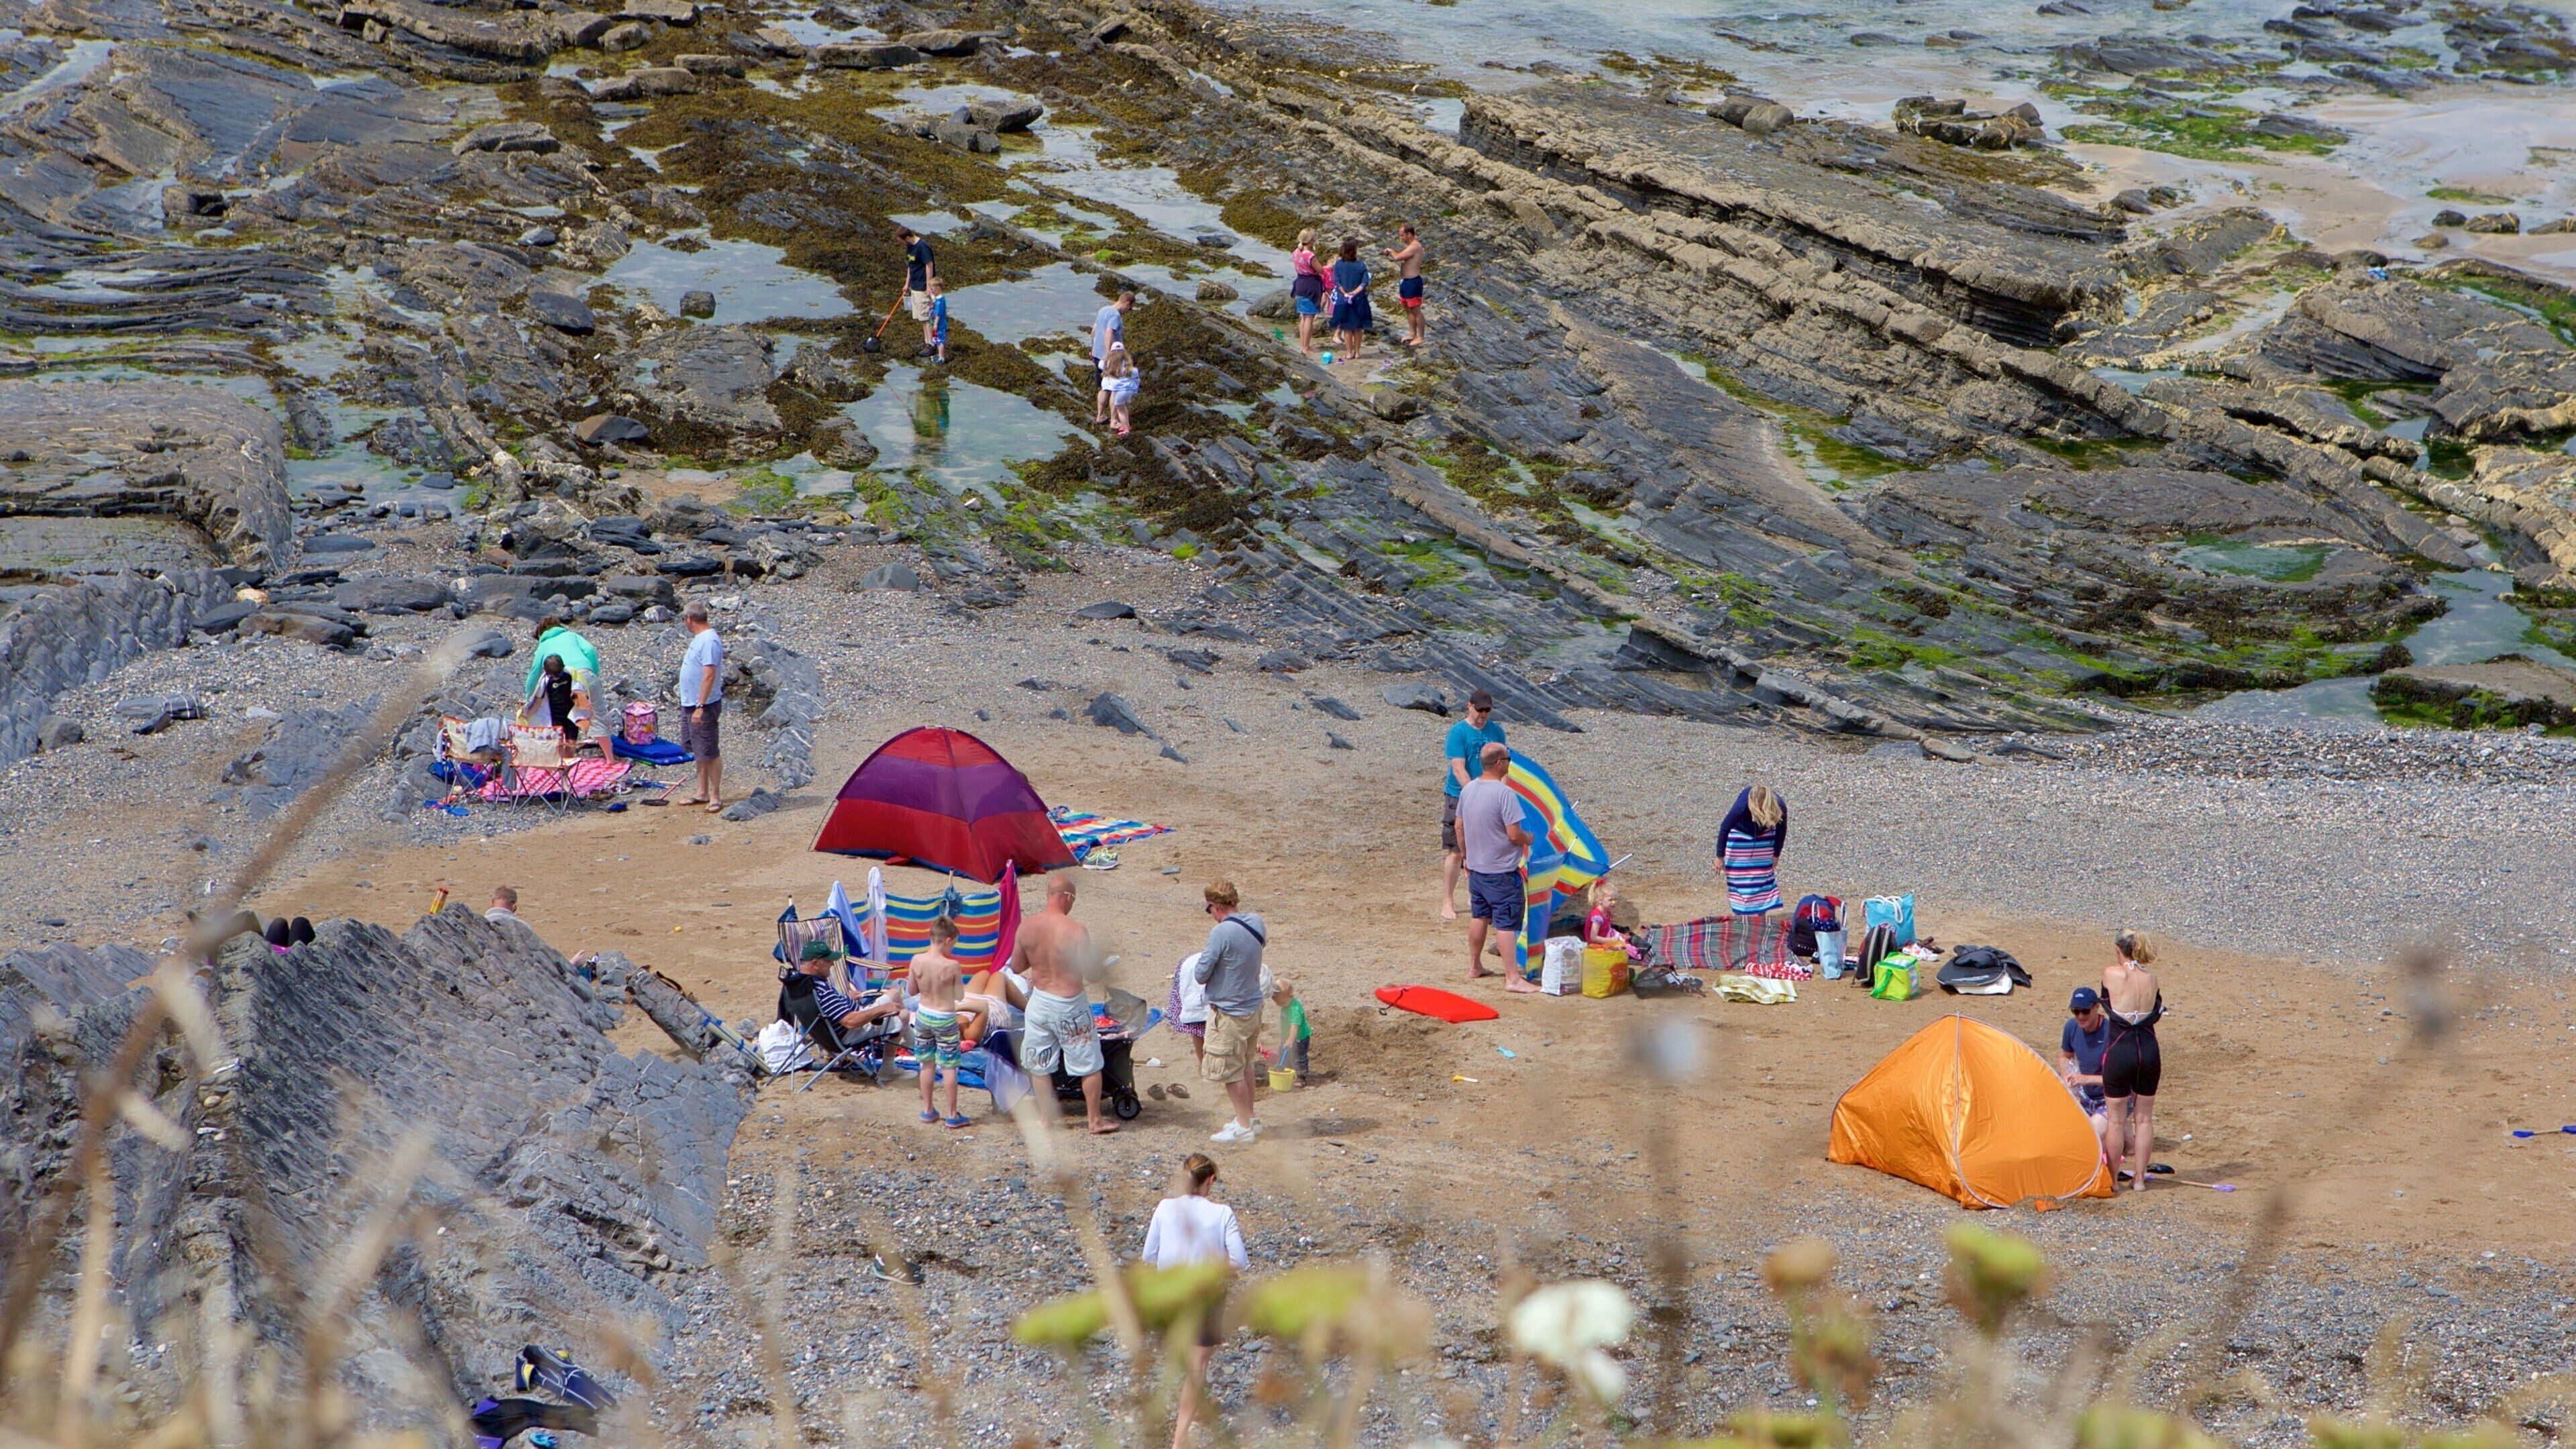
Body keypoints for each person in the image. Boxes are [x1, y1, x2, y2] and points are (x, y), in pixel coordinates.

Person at [1142, 1153, 1248, 1449]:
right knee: (1197, 1367)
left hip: (1170, 1295)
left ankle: (1196, 1405)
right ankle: (1179, 1441)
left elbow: (1149, 1255)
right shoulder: (1223, 1213)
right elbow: (1240, 1260)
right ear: (1210, 1181)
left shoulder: (1165, 1207)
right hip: (1205, 1297)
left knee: (1189, 1361)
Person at [1010, 873, 1118, 1134]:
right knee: (1089, 1064)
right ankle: (1094, 1120)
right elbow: (1092, 974)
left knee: (1039, 1064)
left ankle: (1045, 1119)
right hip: (1069, 1004)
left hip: (1039, 1002)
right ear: (1067, 897)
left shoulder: (1027, 927)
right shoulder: (1076, 930)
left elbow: (1016, 966)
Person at [1456, 743, 1538, 993]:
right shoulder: (1505, 794)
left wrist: (1466, 857)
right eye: (1509, 759)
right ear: (1500, 763)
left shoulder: (1468, 790)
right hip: (1501, 872)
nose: (1511, 763)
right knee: (1506, 924)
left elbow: (1459, 826)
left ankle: (1474, 966)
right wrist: (1528, 839)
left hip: (1477, 869)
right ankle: (1512, 978)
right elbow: (1514, 834)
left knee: (1479, 916)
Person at [1193, 880, 1268, 1142]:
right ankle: (1249, 1118)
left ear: (1215, 906)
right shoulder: (1256, 922)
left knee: (1230, 1072)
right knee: (1246, 1065)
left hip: (1230, 1013)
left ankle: (1243, 1127)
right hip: (1252, 1008)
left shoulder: (1221, 933)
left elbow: (1201, 974)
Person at [2102, 928, 2164, 1191]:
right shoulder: (2152, 978)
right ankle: (2139, 1179)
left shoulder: (2111, 973)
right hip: (2148, 1048)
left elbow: (2107, 1001)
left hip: (2121, 1047)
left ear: (2119, 950)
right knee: (2144, 1119)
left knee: (2116, 1120)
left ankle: (2113, 1180)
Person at [1439, 688, 1506, 920]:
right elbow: (1459, 768)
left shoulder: (1496, 731)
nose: (1483, 714)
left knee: (1481, 849)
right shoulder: (1458, 732)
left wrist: (1501, 794)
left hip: (1487, 794)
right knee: (1456, 851)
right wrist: (1474, 794)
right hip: (1460, 795)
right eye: (1480, 710)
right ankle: (1448, 901)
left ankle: (1474, 895)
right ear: (1470, 707)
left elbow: (1502, 766)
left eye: (1487, 710)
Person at [912, 917, 970, 1128]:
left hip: (923, 1016)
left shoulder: (916, 960)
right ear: (947, 940)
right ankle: (952, 1115)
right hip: (945, 1018)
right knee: (949, 1067)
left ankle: (928, 1110)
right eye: (953, 944)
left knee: (926, 1063)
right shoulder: (952, 965)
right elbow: (960, 996)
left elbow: (912, 990)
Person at [796, 937, 903, 1040]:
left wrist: (846, 998)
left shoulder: (801, 986)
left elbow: (831, 1007)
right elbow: (850, 1022)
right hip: (854, 1031)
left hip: (834, 1034)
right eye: (828, 961)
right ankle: (907, 1047)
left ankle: (910, 1044)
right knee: (902, 1015)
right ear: (815, 964)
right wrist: (883, 1008)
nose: (832, 964)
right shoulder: (821, 990)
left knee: (894, 994)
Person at [676, 600, 724, 813]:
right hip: (691, 703)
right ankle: (702, 791)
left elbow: (710, 675)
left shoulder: (709, 641)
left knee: (710, 750)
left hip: (703, 705)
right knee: (699, 750)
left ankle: (715, 796)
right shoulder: (701, 639)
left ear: (689, 619)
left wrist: (700, 705)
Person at [1715, 786, 1788, 916]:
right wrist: (1720, 857)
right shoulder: (1742, 807)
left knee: (1763, 875)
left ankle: (1762, 916)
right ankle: (1741, 916)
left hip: (1765, 833)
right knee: (1738, 876)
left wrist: (1776, 854)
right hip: (1741, 832)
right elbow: (1725, 827)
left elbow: (1781, 830)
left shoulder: (1779, 806)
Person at [2060, 986, 2112, 1164]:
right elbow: (2065, 1056)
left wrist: (2086, 1079)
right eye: (2076, 1011)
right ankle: (2120, 1132)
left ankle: (2119, 1128)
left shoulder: (2111, 1032)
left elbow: (2121, 1080)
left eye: (2085, 1011)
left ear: (2097, 1007)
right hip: (2085, 1097)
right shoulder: (2071, 1027)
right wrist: (2067, 1075)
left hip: (2111, 1099)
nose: (2080, 1016)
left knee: (2087, 1138)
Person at [523, 616, 600, 714]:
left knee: (570, 716)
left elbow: (534, 674)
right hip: (586, 672)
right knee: (598, 714)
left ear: (540, 634)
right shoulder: (572, 635)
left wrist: (528, 699)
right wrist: (594, 672)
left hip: (565, 678)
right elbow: (590, 650)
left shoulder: (543, 646)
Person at [1091, 292, 1134, 424]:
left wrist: (1093, 349)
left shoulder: (1103, 310)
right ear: (1127, 304)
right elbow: (1109, 332)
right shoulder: (1115, 315)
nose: (1127, 312)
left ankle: (1100, 416)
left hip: (1097, 355)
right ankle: (1114, 421)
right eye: (1129, 309)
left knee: (1104, 387)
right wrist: (1109, 353)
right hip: (1111, 357)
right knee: (1116, 388)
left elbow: (1094, 331)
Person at [1383, 222, 1426, 348]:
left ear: (1409, 234)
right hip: (1406, 282)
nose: (1400, 238)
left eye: (1402, 235)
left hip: (1413, 282)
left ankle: (1421, 337)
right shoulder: (1410, 247)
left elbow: (1397, 257)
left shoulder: (1415, 247)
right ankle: (1413, 333)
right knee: (1408, 308)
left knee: (1416, 309)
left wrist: (1390, 250)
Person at [1328, 237, 1371, 358]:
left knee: (1347, 327)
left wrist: (1345, 293)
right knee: (1358, 327)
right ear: (1354, 250)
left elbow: (1337, 281)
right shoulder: (1361, 264)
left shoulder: (1339, 264)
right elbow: (1365, 282)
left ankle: (1348, 352)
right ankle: (1357, 352)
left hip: (1344, 300)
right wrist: (1355, 292)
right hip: (1359, 299)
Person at [898, 225, 938, 354]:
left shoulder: (923, 247)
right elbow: (910, 266)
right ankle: (927, 341)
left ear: (907, 237)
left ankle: (932, 345)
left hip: (923, 287)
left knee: (926, 317)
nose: (902, 244)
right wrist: (907, 284)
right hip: (914, 287)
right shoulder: (909, 247)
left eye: (902, 241)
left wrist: (928, 285)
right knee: (921, 318)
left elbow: (929, 265)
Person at [1169, 949, 1210, 1067]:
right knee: (1198, 1021)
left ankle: (1204, 1064)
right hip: (1196, 970)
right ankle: (1203, 1064)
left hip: (1201, 967)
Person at [1289, 229, 1326, 354]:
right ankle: (1306, 347)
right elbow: (1320, 270)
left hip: (1300, 283)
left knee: (1303, 317)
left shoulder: (1296, 252)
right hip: (1311, 285)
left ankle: (1303, 345)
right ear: (1310, 241)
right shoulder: (1309, 255)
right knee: (1309, 317)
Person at [1268, 976, 1310, 1081]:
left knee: (1299, 1059)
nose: (1280, 1005)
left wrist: (1290, 1040)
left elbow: (1294, 1026)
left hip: (1300, 1039)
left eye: (1282, 1003)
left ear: (1291, 994)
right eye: (1277, 1003)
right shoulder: (1286, 1004)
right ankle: (1288, 1072)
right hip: (1288, 1038)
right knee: (1285, 1056)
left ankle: (1301, 1077)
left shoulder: (1295, 1009)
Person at [1582, 878, 1634, 959]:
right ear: (1600, 900)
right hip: (1596, 945)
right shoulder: (1597, 917)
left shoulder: (1607, 911)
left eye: (1615, 899)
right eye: (1611, 900)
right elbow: (1593, 938)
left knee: (1624, 941)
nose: (1614, 902)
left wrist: (1620, 935)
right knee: (1625, 948)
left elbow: (1608, 928)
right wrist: (1611, 940)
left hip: (1605, 936)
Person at [1103, 341, 1141, 436]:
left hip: (1119, 392)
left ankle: (1126, 430)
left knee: (1120, 411)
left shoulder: (1110, 365)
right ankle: (1127, 425)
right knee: (1124, 408)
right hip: (1129, 391)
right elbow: (1135, 373)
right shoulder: (1127, 365)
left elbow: (1101, 365)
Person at [926, 276, 950, 365]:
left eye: (932, 289)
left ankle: (941, 357)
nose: (931, 291)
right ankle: (939, 355)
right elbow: (933, 299)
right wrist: (930, 294)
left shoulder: (940, 301)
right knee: (936, 339)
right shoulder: (937, 298)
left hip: (939, 325)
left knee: (940, 341)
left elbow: (939, 314)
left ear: (938, 288)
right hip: (934, 323)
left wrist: (935, 324)